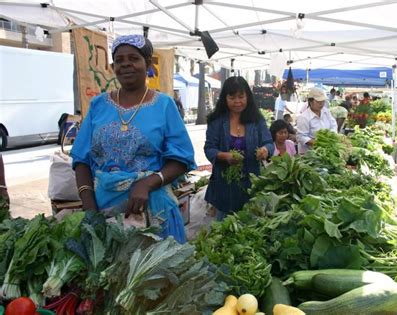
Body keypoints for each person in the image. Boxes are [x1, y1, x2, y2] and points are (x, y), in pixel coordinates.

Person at [71, 34, 196, 244]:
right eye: (119, 60)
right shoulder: (98, 105)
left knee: (152, 274)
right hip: (104, 209)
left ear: (147, 63)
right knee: (108, 274)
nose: (126, 64)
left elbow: (182, 159)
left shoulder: (164, 105)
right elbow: (81, 160)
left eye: (134, 58)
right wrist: (90, 208)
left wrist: (147, 184)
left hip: (153, 209)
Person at [204, 76, 274, 220]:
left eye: (241, 97)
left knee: (250, 224)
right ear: (225, 98)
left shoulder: (256, 120)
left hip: (251, 184)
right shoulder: (216, 121)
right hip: (224, 186)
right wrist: (224, 156)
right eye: (232, 97)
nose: (237, 102)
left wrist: (265, 151)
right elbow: (209, 148)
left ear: (247, 96)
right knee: (224, 227)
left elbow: (269, 143)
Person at [296, 87, 337, 154]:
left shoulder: (326, 111)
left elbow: (333, 125)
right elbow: (301, 137)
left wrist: (331, 137)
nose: (321, 104)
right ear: (310, 101)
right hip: (309, 153)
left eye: (323, 101)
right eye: (318, 102)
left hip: (326, 151)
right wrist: (318, 143)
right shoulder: (304, 117)